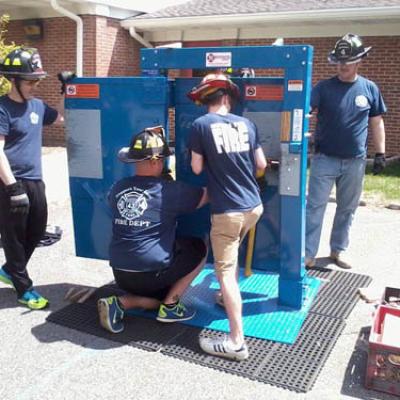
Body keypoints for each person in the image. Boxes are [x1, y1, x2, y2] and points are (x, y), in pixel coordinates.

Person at [97, 126, 208, 334]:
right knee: (199, 247)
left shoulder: (118, 188)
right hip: (150, 274)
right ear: (156, 162)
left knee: (156, 299)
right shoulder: (169, 191)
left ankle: (120, 303)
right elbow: (205, 196)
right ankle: (172, 306)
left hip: (121, 275)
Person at [187, 73, 267, 361]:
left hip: (227, 211)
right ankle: (225, 298)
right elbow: (260, 165)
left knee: (224, 272)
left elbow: (196, 168)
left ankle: (236, 341)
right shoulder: (247, 123)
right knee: (231, 256)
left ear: (207, 98)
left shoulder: (200, 125)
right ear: (226, 98)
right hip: (253, 207)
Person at [306, 33, 386, 270]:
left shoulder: (369, 88)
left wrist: (380, 153)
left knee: (347, 209)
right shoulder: (323, 87)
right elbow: (306, 111)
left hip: (355, 161)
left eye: (347, 61)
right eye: (338, 61)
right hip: (324, 159)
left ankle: (338, 250)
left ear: (359, 60)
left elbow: (376, 121)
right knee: (314, 207)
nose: (342, 65)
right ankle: (307, 254)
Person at [0, 47, 64, 309]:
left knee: (37, 231)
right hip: (10, 182)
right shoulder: (2, 108)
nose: (34, 86)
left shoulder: (37, 106)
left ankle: (9, 270)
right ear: (13, 80)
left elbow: (60, 119)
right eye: (29, 81)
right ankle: (24, 288)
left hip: (36, 180)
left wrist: (65, 90)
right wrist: (12, 186)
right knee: (13, 236)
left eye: (37, 80)